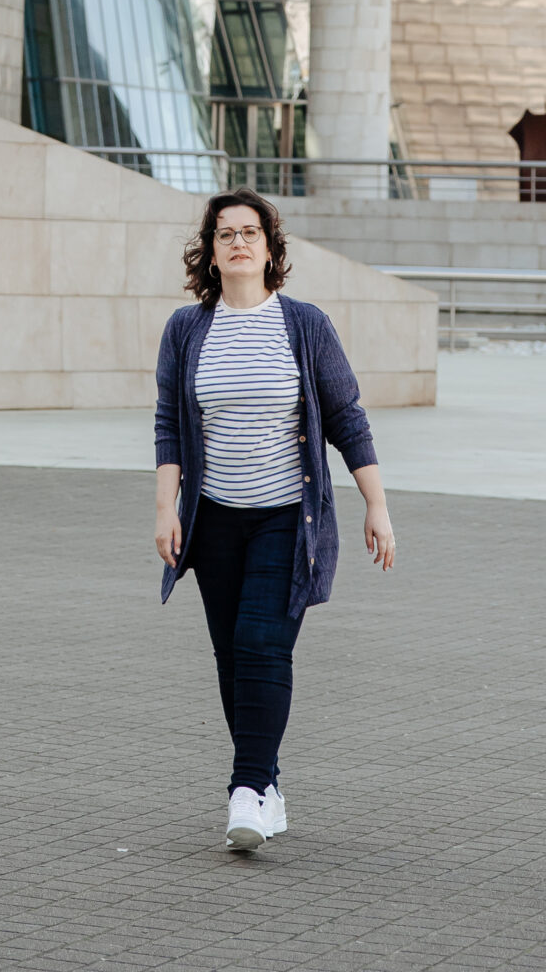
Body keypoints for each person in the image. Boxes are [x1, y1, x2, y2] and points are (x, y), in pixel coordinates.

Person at [154, 187, 395, 853]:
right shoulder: (186, 329)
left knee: (262, 642)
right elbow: (170, 426)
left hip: (288, 517)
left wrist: (375, 503)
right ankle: (268, 786)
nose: (237, 242)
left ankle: (246, 788)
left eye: (249, 232)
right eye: (225, 233)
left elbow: (346, 416)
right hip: (214, 520)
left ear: (269, 248)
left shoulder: (303, 324)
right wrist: (164, 510)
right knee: (233, 656)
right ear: (209, 252)